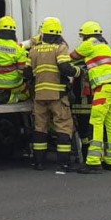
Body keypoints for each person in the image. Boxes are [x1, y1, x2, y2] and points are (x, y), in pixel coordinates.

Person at [71, 21, 111, 173]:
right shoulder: (106, 46)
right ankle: (110, 161)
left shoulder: (89, 44)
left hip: (103, 88)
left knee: (96, 123)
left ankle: (93, 162)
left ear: (86, 34)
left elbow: (71, 57)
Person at [27, 17, 75, 171]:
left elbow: (27, 73)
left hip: (39, 96)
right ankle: (63, 162)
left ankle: (38, 162)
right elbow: (65, 68)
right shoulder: (60, 48)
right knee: (63, 127)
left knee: (40, 128)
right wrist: (79, 71)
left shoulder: (34, 50)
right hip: (57, 95)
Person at [0, 16, 30, 104]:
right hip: (11, 85)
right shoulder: (18, 48)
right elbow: (22, 71)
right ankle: (10, 98)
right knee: (26, 92)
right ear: (13, 33)